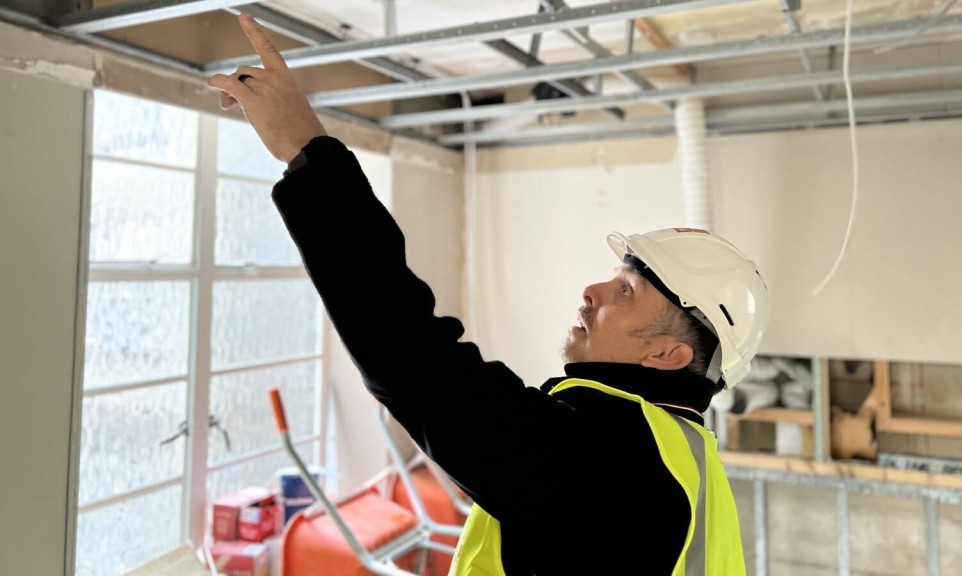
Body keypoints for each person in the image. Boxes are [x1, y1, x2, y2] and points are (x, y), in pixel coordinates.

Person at [209, 13, 770, 576]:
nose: (593, 290)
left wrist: (307, 153)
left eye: (627, 291)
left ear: (668, 356)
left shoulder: (614, 461)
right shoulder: (682, 459)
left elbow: (412, 357)